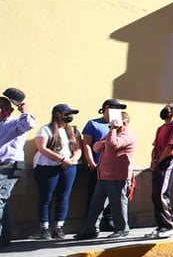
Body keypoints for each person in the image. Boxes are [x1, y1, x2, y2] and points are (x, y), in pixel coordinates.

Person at [75, 110, 136, 239]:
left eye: (116, 122)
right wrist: (107, 138)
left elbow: (113, 145)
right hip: (103, 175)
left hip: (118, 175)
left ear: (123, 122)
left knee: (118, 203)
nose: (112, 124)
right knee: (96, 203)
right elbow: (96, 147)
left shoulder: (127, 135)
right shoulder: (111, 134)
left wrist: (112, 131)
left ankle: (122, 229)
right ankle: (90, 229)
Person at [33, 104, 83, 240]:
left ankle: (58, 227)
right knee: (46, 196)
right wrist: (61, 159)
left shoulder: (73, 131)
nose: (69, 116)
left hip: (69, 167)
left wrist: (73, 159)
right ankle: (44, 228)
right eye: (66, 113)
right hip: (48, 167)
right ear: (57, 114)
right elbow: (42, 148)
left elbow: (78, 148)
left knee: (64, 196)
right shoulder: (46, 129)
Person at [81, 99, 127, 232]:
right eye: (115, 108)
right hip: (98, 167)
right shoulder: (93, 124)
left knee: (113, 198)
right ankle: (90, 225)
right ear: (106, 108)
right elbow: (88, 145)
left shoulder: (120, 125)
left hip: (114, 169)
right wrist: (91, 162)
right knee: (95, 198)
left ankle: (108, 222)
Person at [0, 89, 36, 246]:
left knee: (0, 200)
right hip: (2, 166)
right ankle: (4, 237)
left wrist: (24, 109)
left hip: (11, 166)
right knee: (2, 202)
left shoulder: (16, 123)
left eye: (2, 107)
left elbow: (29, 123)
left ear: (9, 110)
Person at [147, 102, 173, 239]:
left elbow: (171, 146)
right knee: (155, 194)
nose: (164, 109)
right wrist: (153, 160)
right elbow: (155, 146)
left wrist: (159, 160)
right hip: (159, 162)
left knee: (161, 193)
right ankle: (162, 225)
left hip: (169, 161)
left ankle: (170, 225)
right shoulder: (161, 128)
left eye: (168, 108)